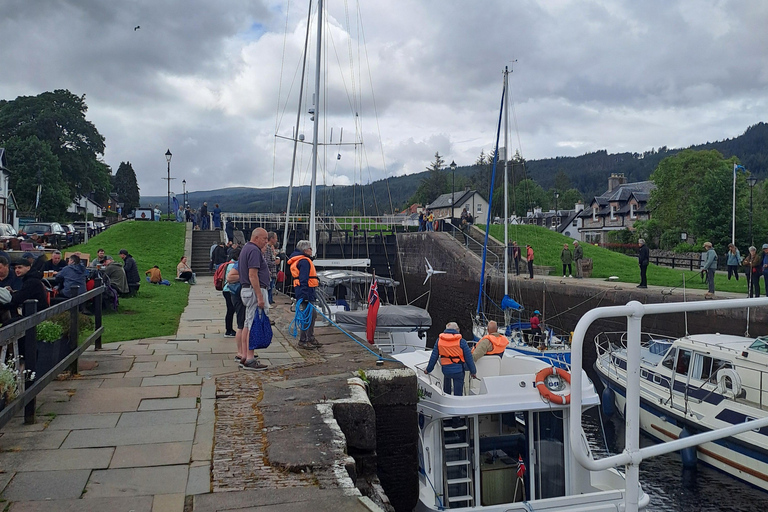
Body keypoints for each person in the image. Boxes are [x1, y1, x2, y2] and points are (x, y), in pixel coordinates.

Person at [237, 227, 270, 370]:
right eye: (265, 238)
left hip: (246, 290)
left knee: (247, 323)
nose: (266, 242)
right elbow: (253, 275)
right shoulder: (254, 251)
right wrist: (259, 295)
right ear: (256, 238)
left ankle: (244, 355)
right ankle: (250, 358)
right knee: (252, 324)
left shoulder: (246, 248)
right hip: (253, 290)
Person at [424, 322, 477, 396]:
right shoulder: (462, 342)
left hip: (446, 370)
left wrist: (428, 370)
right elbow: (469, 359)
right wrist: (473, 372)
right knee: (458, 393)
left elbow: (434, 357)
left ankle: (446, 395)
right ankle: (457, 401)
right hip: (458, 371)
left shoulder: (439, 341)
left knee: (447, 383)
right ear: (457, 330)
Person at [288, 240, 320, 350]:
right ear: (305, 250)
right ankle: (304, 340)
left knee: (312, 315)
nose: (311, 250)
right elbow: (304, 279)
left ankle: (310, 337)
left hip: (305, 291)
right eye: (310, 248)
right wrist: (305, 296)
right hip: (306, 292)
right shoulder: (304, 261)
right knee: (308, 316)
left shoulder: (300, 260)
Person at [222, 248, 241, 338]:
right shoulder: (234, 265)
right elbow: (231, 278)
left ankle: (229, 329)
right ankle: (228, 330)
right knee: (231, 310)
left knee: (230, 310)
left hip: (226, 289)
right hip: (230, 289)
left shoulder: (229, 263)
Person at [265, 232, 279, 305]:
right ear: (271, 239)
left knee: (271, 287)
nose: (276, 240)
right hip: (270, 273)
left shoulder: (270, 248)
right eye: (275, 238)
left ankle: (270, 300)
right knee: (269, 288)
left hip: (272, 273)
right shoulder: (267, 248)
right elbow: (266, 261)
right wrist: (275, 262)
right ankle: (268, 301)